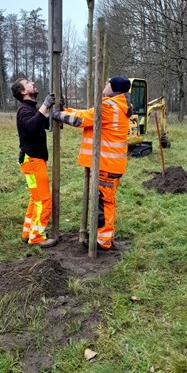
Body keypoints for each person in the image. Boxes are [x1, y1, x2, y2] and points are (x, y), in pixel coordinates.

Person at [52, 76, 133, 251]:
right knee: (105, 202)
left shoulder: (109, 107)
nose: (104, 85)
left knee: (103, 204)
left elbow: (82, 119)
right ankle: (102, 235)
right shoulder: (116, 105)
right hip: (110, 165)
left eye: (107, 83)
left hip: (106, 165)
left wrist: (59, 115)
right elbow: (87, 113)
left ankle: (103, 241)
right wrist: (66, 110)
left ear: (114, 88)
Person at [11, 78, 57, 248]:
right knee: (44, 200)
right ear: (23, 92)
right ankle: (37, 237)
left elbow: (44, 124)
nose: (33, 83)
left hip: (32, 160)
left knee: (35, 198)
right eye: (28, 83)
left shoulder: (31, 109)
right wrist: (45, 106)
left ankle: (27, 232)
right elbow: (31, 126)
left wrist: (56, 109)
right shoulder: (23, 110)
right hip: (32, 161)